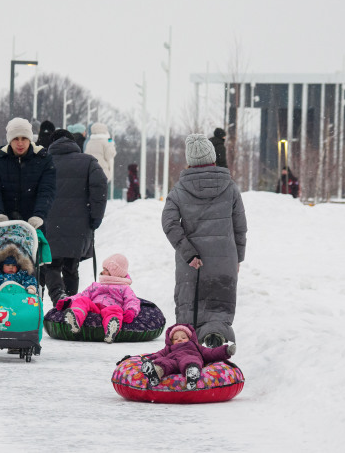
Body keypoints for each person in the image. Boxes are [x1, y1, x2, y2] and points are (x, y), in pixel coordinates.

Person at [161, 134, 247, 348]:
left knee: (190, 308)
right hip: (224, 261)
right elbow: (240, 227)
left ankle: (187, 352)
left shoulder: (179, 190)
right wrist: (238, 257)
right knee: (219, 309)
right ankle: (215, 337)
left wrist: (188, 252)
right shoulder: (230, 187)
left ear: (190, 161)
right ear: (212, 156)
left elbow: (170, 223)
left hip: (192, 264)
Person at [42, 130, 108, 304]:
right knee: (71, 267)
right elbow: (100, 188)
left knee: (51, 265)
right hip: (79, 226)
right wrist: (96, 217)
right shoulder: (89, 162)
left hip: (50, 224)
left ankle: (59, 299)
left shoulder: (43, 162)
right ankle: (71, 304)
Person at [0, 117, 57, 230]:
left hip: (34, 225)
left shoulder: (43, 159)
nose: (20, 143)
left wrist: (38, 215)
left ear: (30, 139)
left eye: (24, 138)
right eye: (16, 139)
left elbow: (47, 190)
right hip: (4, 224)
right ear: (10, 140)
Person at [54, 253, 140, 344]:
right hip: (94, 307)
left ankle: (111, 330)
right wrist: (69, 301)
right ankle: (75, 319)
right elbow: (82, 295)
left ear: (115, 273)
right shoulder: (95, 285)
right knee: (82, 300)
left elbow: (132, 300)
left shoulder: (124, 288)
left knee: (116, 309)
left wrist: (131, 310)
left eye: (106, 270)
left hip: (110, 308)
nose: (102, 272)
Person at [140, 323, 236, 390]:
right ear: (171, 341)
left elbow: (211, 353)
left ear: (190, 338)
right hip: (172, 361)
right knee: (163, 362)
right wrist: (149, 360)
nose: (180, 339)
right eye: (176, 338)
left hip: (189, 358)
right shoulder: (168, 348)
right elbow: (159, 355)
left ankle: (191, 375)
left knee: (190, 360)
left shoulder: (196, 347)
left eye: (183, 337)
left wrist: (226, 351)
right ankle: (154, 374)